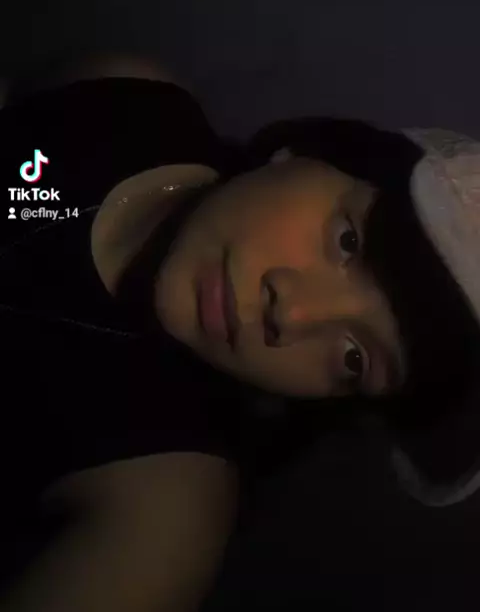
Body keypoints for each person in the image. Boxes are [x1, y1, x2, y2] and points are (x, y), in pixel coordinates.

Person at [0, 51, 479, 611]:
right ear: (300, 155)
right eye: (349, 241)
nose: (293, 315)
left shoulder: (164, 515)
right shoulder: (132, 96)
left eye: (355, 358)